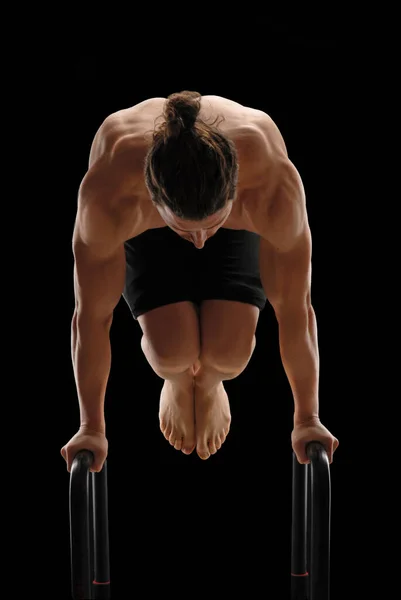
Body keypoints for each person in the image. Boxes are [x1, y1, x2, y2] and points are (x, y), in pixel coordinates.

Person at [61, 91, 339, 472]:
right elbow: (91, 316)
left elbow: (295, 310)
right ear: (152, 197)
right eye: (187, 230)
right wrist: (91, 426)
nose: (200, 241)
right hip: (150, 229)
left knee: (231, 355)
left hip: (235, 217)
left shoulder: (272, 188)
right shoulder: (109, 195)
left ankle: (207, 383)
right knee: (170, 353)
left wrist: (307, 418)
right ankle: (178, 380)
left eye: (210, 227)